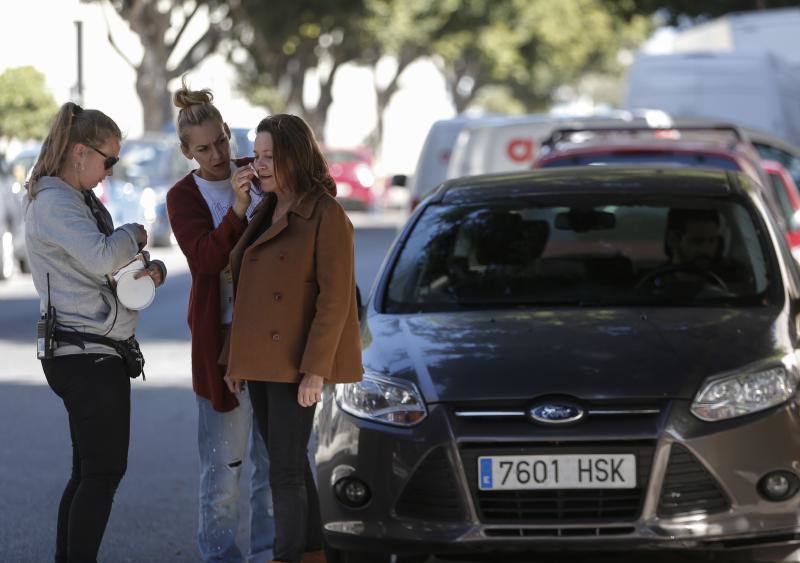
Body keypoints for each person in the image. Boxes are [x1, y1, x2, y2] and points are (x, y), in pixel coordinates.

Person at [24, 102, 165, 563]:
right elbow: (104, 257)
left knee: (88, 473)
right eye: (110, 160)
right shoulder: (55, 202)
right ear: (80, 152)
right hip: (85, 354)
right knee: (102, 473)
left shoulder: (73, 199)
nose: (111, 171)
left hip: (91, 349)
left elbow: (104, 271)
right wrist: (134, 235)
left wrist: (145, 273)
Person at [223, 114, 363, 563]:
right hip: (261, 361)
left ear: (294, 156)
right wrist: (234, 361)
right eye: (257, 156)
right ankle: (316, 554)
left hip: (296, 362)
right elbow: (247, 295)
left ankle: (286, 556)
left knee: (283, 471)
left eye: (270, 156)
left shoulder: (326, 213)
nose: (260, 165)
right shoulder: (265, 209)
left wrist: (315, 371)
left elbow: (336, 299)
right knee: (291, 465)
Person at [165, 81, 275, 563]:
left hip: (273, 337)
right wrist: (235, 208)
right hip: (220, 340)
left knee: (273, 467)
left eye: (223, 143)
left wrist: (272, 167)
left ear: (231, 134)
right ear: (187, 151)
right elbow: (207, 260)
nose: (216, 155)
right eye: (204, 149)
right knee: (223, 469)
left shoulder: (259, 172)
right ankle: (220, 556)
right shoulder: (182, 197)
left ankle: (271, 552)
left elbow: (318, 193)